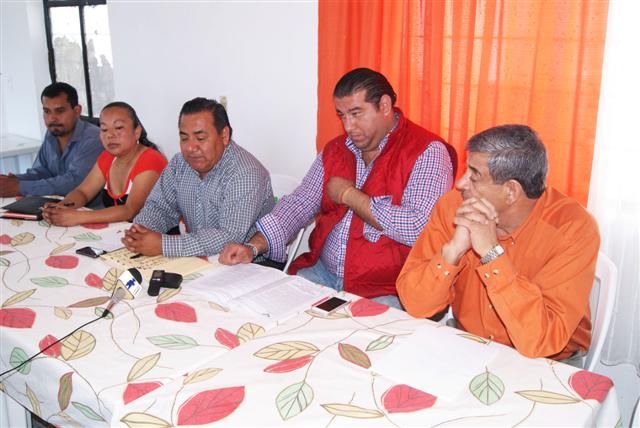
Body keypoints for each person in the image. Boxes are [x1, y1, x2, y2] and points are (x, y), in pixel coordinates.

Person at [219, 68, 454, 309]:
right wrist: (253, 247)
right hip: (323, 274)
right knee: (263, 313)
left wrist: (350, 196)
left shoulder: (427, 152)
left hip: (387, 289)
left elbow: (419, 228)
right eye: (342, 115)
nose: (348, 126)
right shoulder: (336, 150)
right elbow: (300, 203)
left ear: (384, 106)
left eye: (356, 114)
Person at [396, 124, 599, 365]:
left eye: (474, 176)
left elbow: (541, 339)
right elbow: (416, 305)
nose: (460, 184)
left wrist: (491, 254)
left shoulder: (572, 228)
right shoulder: (454, 207)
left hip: (548, 361)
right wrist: (452, 252)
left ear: (511, 191)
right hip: (469, 343)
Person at [122, 97, 274, 257]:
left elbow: (229, 237)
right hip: (198, 259)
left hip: (244, 264)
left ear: (224, 135)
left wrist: (163, 245)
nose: (190, 148)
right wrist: (140, 233)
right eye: (184, 138)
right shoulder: (179, 164)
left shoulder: (245, 172)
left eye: (200, 138)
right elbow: (159, 208)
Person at [42, 102, 167, 226]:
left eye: (118, 128)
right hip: (120, 233)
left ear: (137, 132)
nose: (110, 135)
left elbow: (130, 211)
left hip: (155, 235)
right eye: (104, 129)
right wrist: (61, 207)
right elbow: (83, 192)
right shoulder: (108, 157)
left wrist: (77, 217)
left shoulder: (151, 159)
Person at [0, 82, 102, 200]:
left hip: (90, 208)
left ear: (77, 111)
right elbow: (42, 171)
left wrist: (20, 187)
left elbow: (74, 182)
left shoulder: (94, 138)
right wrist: (14, 181)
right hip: (55, 204)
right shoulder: (53, 133)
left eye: (60, 111)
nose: (52, 118)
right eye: (47, 111)